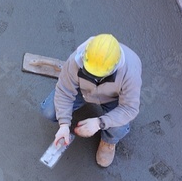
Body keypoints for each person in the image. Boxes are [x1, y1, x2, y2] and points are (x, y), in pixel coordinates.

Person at [40, 34, 142, 167]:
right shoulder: (77, 59)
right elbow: (64, 91)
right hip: (83, 91)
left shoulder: (130, 72)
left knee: (118, 127)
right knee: (49, 111)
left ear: (113, 68)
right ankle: (69, 116)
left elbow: (129, 108)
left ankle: (108, 142)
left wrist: (100, 123)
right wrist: (64, 124)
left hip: (113, 98)